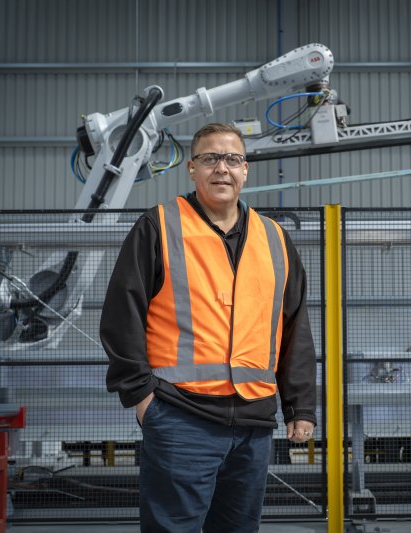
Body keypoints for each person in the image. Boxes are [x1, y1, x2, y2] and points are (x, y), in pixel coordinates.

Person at [100, 122, 317, 532]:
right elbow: (120, 316)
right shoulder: (159, 226)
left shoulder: (273, 238)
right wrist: (142, 399)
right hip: (180, 417)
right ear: (192, 169)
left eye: (232, 159)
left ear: (246, 170)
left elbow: (294, 327)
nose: (222, 168)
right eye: (210, 159)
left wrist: (300, 405)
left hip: (253, 425)